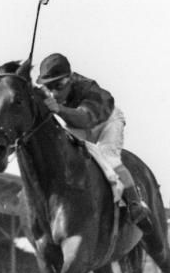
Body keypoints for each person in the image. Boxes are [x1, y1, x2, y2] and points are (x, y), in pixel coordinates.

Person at [35, 53, 152, 230]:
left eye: (58, 86)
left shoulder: (88, 89)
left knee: (108, 157)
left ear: (69, 79)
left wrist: (58, 109)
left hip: (106, 122)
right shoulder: (53, 93)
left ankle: (135, 204)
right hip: (78, 123)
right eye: (48, 87)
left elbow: (84, 118)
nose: (53, 93)